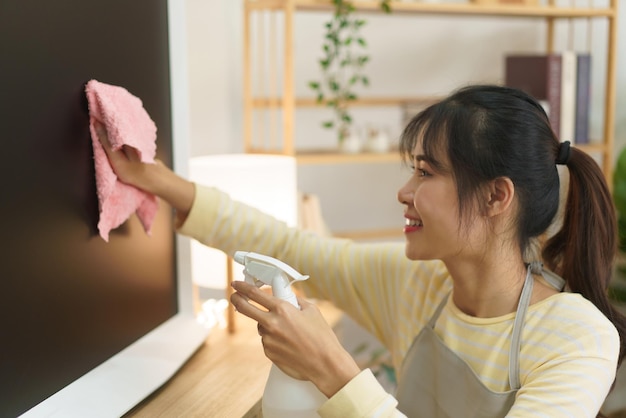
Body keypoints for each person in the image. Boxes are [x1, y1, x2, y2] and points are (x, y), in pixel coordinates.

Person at [97, 84, 626, 417]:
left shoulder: (576, 338)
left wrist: (332, 368)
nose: (404, 192)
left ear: (495, 196)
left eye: (425, 172)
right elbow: (289, 245)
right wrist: (161, 182)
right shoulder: (417, 283)